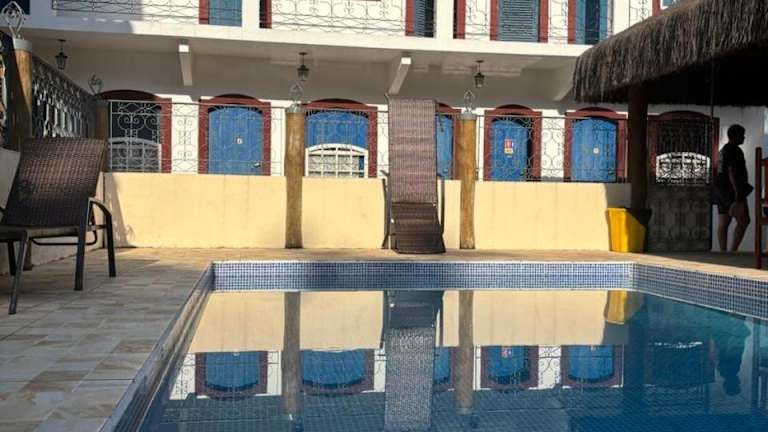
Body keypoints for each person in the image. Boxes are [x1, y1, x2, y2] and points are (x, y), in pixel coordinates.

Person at [714, 124, 753, 252]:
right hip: (731, 190)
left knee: (724, 222)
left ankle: (724, 253)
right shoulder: (734, 150)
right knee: (744, 221)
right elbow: (732, 172)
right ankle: (732, 251)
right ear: (736, 136)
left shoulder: (723, 150)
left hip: (720, 189)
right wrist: (737, 194)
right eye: (742, 135)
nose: (744, 138)